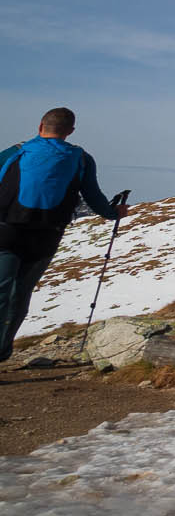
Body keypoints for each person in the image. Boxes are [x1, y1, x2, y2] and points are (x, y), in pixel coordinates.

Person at [0, 108, 127, 362]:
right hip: (46, 235)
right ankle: (2, 351)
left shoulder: (14, 153)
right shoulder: (81, 159)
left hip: (6, 230)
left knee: (1, 291)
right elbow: (94, 197)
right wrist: (114, 213)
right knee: (21, 293)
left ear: (40, 126)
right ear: (70, 131)